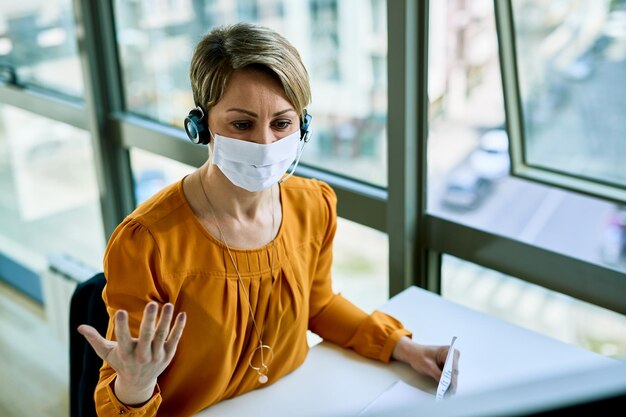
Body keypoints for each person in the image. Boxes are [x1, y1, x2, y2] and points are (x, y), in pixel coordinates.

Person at [77, 22, 459, 417]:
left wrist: (402, 347)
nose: (264, 143)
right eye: (241, 124)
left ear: (304, 126)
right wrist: (135, 383)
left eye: (282, 123)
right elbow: (114, 400)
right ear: (201, 125)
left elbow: (320, 305)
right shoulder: (146, 242)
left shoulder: (314, 206)